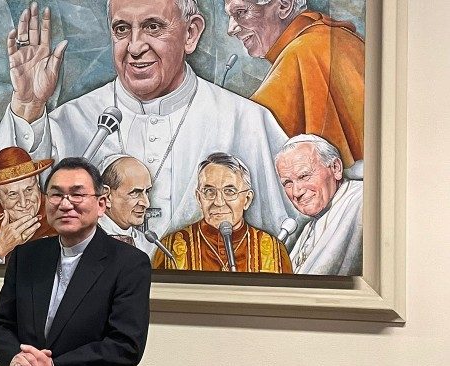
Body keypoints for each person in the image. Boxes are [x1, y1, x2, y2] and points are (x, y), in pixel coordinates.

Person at [0, 0, 296, 242]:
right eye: (122, 29)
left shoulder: (244, 120)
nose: (134, 47)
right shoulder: (72, 118)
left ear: (191, 33)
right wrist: (28, 105)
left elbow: (289, 231)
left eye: (152, 27)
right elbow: (14, 205)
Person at [0, 157, 151, 366]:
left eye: (77, 195)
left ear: (100, 204)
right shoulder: (25, 257)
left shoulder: (129, 263)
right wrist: (15, 360)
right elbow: (1, 324)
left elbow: (125, 344)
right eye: (56, 195)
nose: (65, 204)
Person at [224, 0, 365, 167]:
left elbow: (250, 138)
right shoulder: (338, 37)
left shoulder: (302, 51)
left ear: (284, 5)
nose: (230, 29)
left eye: (241, 12)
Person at [153, 152, 292, 273]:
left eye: (229, 192)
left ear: (247, 199)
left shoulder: (274, 250)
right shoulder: (169, 249)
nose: (219, 202)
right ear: (199, 198)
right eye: (209, 191)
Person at [274, 134, 363, 275]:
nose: (296, 192)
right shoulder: (310, 226)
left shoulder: (362, 202)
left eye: (304, 176)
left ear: (336, 168)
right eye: (287, 183)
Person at [98, 154, 153, 255]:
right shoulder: (82, 240)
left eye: (147, 192)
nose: (146, 203)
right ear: (107, 196)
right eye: (135, 193)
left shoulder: (148, 244)